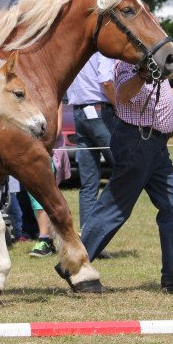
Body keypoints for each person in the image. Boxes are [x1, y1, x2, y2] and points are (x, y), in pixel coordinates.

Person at [77, 60, 173, 292]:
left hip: (155, 143)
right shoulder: (126, 64)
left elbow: (150, 93)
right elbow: (125, 95)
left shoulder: (149, 61)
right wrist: (142, 74)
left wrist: (169, 91)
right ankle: (74, 266)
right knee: (115, 206)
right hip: (138, 141)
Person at [67, 52, 117, 258]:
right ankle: (99, 232)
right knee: (126, 169)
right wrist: (119, 105)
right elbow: (106, 81)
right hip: (99, 112)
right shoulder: (102, 52)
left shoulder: (77, 52)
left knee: (88, 183)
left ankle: (88, 243)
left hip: (78, 113)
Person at [29, 104, 71, 257]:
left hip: (48, 152)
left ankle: (45, 239)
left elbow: (56, 129)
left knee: (43, 196)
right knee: (37, 198)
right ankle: (50, 238)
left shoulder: (55, 101)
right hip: (32, 152)